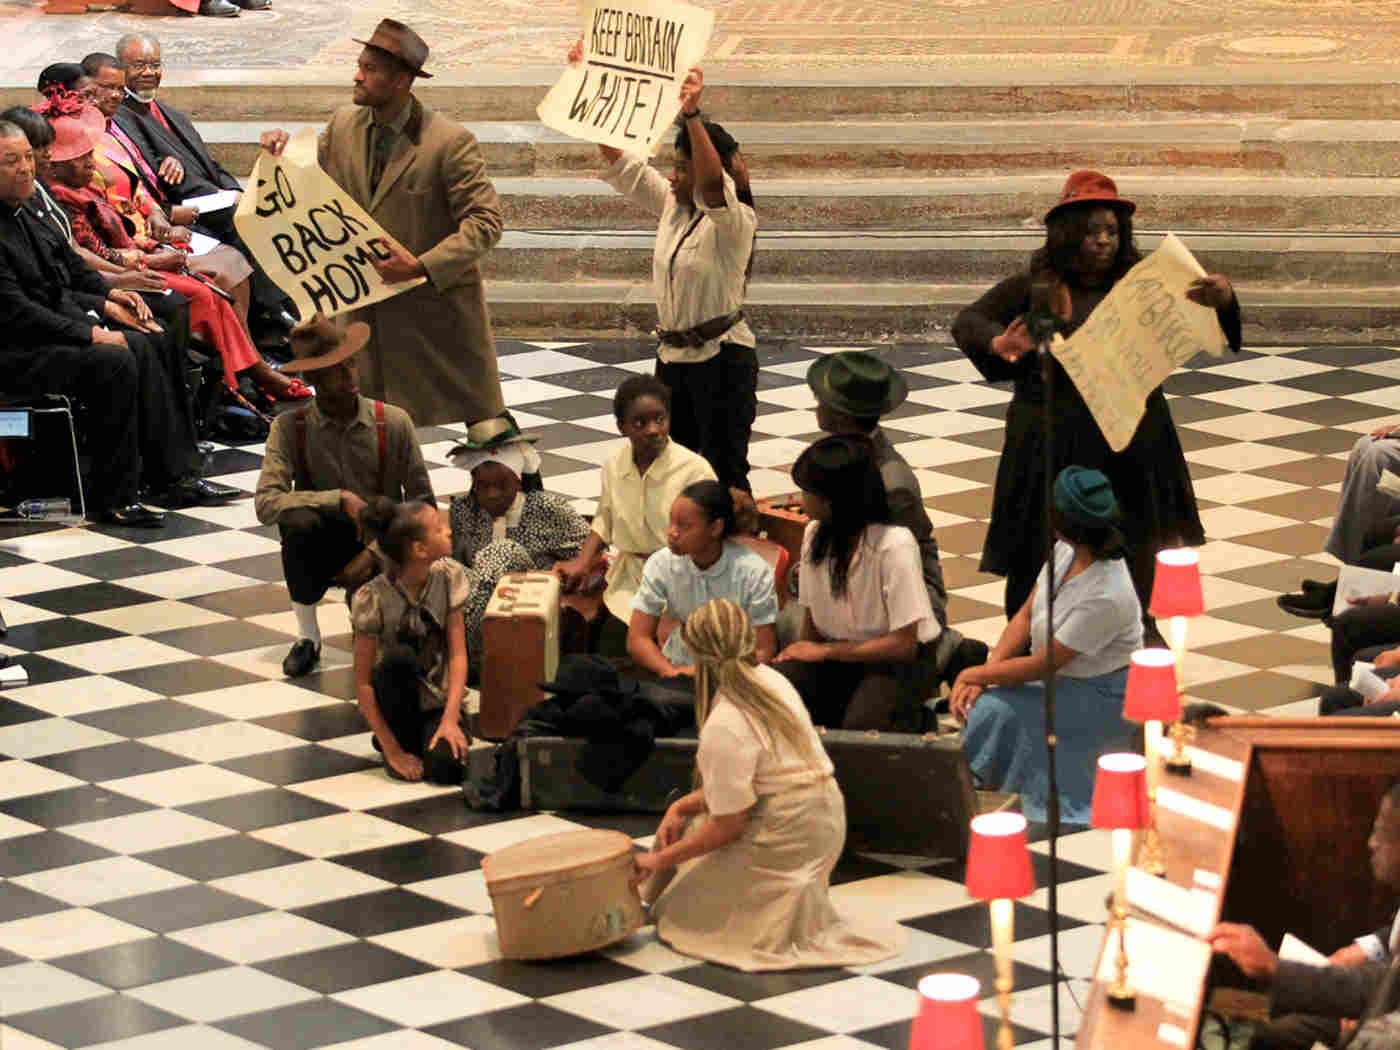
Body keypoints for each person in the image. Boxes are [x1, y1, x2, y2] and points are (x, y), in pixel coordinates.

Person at [952, 170, 1241, 619]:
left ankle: (1133, 625)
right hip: (1051, 436)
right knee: (1041, 539)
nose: (1104, 240)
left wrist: (1223, 299)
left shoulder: (1145, 285)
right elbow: (969, 321)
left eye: (1111, 231)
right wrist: (998, 342)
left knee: (1135, 533)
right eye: (1092, 232)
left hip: (1130, 436)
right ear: (1068, 236)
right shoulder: (1036, 287)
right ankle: (1031, 631)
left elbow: (1211, 324)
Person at [258, 19, 510, 431]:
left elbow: (486, 221)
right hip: (365, 315)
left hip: (434, 313)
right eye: (360, 65)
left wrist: (422, 265)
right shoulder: (343, 125)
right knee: (374, 432)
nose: (357, 76)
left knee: (486, 431)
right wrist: (281, 151)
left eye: (370, 69)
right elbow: (309, 181)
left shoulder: (449, 142)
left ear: (402, 81)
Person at [635, 598, 903, 971]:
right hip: (824, 816)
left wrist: (659, 859)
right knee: (688, 841)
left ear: (696, 656)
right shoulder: (772, 680)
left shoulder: (725, 722)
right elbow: (755, 785)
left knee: (683, 913)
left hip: (789, 833)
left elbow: (729, 824)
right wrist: (680, 806)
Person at [0, 119, 236, 524]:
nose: (25, 168)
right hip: (15, 350)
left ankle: (174, 475)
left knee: (152, 336)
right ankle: (113, 495)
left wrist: (110, 297)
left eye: (27, 158)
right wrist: (91, 333)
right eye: (11, 161)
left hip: (49, 327)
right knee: (116, 359)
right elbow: (16, 311)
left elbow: (70, 267)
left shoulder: (29, 207)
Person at [570, 40, 757, 492]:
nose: (673, 176)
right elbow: (623, 164)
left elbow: (712, 185)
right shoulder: (673, 207)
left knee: (721, 474)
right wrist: (589, 82)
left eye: (683, 168)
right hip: (673, 360)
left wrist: (692, 115)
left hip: (722, 361)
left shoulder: (735, 222)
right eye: (674, 166)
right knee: (675, 471)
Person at [42, 101, 305, 401]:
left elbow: (131, 203)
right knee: (201, 293)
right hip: (117, 272)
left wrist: (152, 236)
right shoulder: (60, 194)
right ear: (52, 163)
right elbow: (90, 253)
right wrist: (142, 263)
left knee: (227, 264)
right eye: (82, 157)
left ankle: (247, 369)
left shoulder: (87, 172)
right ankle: (237, 380)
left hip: (139, 247)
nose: (92, 162)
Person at [951, 466, 1142, 824]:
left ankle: (983, 785)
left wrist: (974, 674)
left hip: (1096, 694)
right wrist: (987, 672)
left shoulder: (1107, 594)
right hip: (1059, 679)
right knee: (987, 703)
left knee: (994, 709)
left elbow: (1044, 663)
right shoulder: (1065, 552)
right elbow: (1025, 615)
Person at [254, 315, 435, 678]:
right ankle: (308, 637)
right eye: (335, 370)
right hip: (324, 540)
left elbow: (424, 505)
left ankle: (380, 612)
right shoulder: (289, 428)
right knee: (297, 522)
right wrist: (338, 498)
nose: (350, 375)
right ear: (314, 380)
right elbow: (266, 503)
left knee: (394, 655)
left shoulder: (393, 422)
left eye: (351, 363)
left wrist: (375, 553)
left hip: (384, 539)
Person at [112, 35, 293, 334]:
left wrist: (233, 190)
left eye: (155, 65)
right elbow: (148, 173)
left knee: (267, 206)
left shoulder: (170, 112)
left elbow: (211, 164)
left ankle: (290, 299)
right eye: (139, 65)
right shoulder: (122, 116)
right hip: (181, 207)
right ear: (121, 69)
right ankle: (274, 313)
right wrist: (173, 167)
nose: (149, 72)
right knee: (242, 219)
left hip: (213, 196)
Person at [1208, 784, 1400, 1049]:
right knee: (1273, 1035)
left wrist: (1350, 1036)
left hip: (1380, 1030)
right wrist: (1370, 947)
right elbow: (1383, 981)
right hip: (1378, 999)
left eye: (1382, 833)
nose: (1371, 843)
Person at [773, 434, 942, 731]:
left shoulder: (894, 544)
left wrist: (825, 653)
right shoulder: (814, 533)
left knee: (861, 725)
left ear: (832, 500)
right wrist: (800, 657)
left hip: (895, 663)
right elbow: (812, 619)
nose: (801, 499)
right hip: (838, 654)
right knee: (775, 698)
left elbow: (903, 645)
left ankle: (917, 719)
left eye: (808, 491)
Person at [554, 375, 716, 654]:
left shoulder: (695, 470)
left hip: (685, 583)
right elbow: (605, 517)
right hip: (629, 583)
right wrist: (582, 561)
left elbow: (711, 538)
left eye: (660, 419)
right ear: (622, 427)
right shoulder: (614, 466)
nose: (653, 430)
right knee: (611, 655)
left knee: (671, 659)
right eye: (640, 423)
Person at [448, 432, 591, 674]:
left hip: (530, 600)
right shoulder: (463, 511)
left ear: (518, 480)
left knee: (502, 551)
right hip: (475, 600)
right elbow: (457, 566)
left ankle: (474, 662)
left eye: (501, 485)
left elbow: (592, 551)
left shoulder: (547, 509)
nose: (492, 494)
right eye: (483, 486)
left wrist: (562, 574)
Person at [351, 497, 471, 784]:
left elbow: (458, 655)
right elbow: (363, 684)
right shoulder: (373, 597)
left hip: (437, 702)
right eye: (439, 529)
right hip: (398, 700)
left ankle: (431, 735)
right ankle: (394, 738)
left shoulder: (449, 577)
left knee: (447, 768)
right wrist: (393, 751)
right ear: (420, 549)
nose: (448, 531)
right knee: (399, 658)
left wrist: (450, 719)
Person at [629, 480, 779, 679]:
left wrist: (702, 675)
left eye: (684, 526)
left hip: (734, 674)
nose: (672, 533)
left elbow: (763, 650)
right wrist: (671, 672)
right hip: (676, 666)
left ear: (716, 528)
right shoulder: (661, 563)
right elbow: (638, 638)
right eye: (671, 522)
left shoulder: (754, 572)